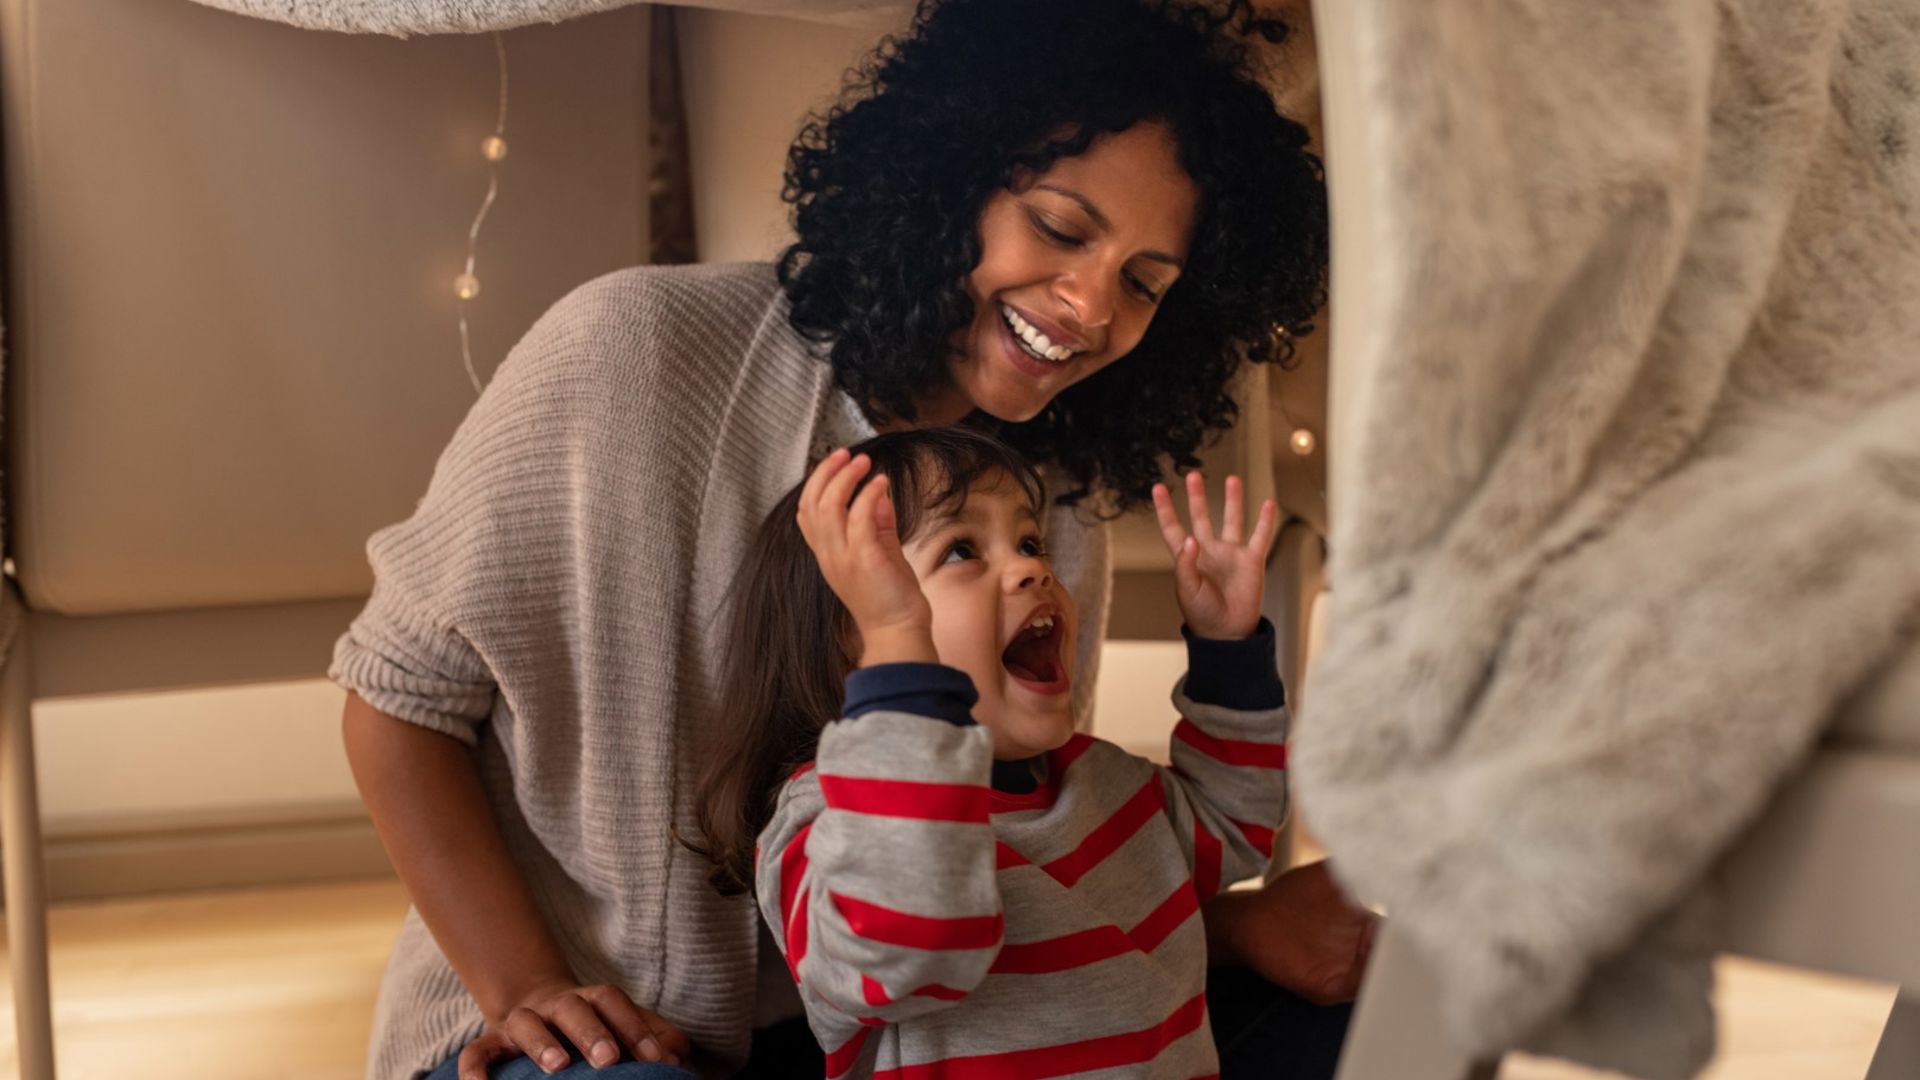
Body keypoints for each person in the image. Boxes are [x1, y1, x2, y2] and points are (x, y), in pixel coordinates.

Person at [333, 1, 1364, 1078]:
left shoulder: (1040, 495)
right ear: (946, 178)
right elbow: (398, 703)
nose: (1091, 308)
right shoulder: (635, 352)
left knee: (1358, 1028)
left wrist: (1234, 933)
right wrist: (526, 986)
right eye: (1061, 230)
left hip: (918, 1032)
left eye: (1146, 284)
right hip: (599, 1036)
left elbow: (1000, 850)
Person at [703, 428, 1291, 1077]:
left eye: (1030, 541)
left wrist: (1227, 652)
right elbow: (912, 944)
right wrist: (899, 637)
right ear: (854, 646)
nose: (1034, 568)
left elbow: (1235, 827)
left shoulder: (1106, 781)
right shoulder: (823, 821)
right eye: (961, 549)